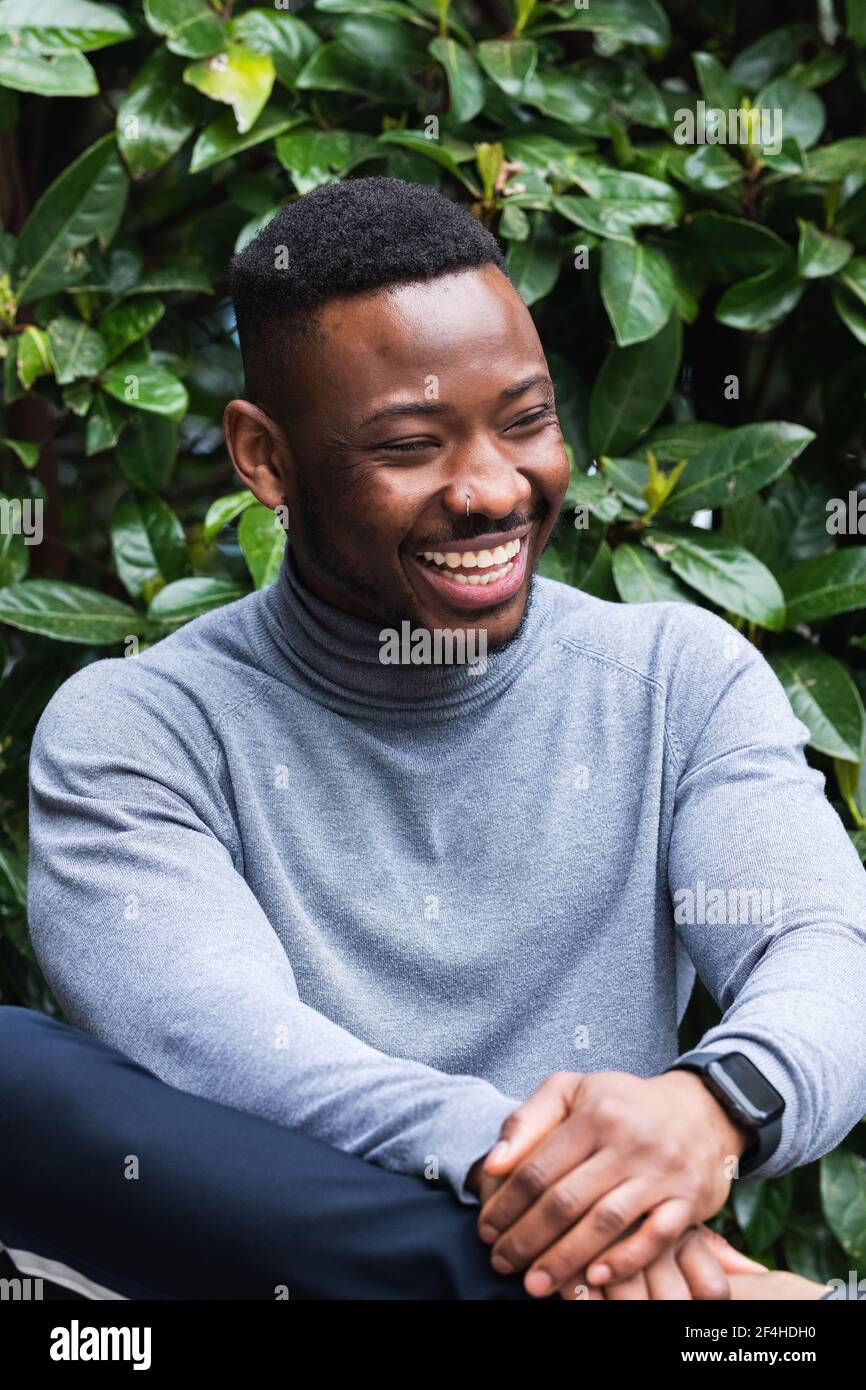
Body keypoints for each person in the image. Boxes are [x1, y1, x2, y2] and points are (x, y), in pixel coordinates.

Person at [11, 177, 866, 1300]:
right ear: (264, 458)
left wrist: (711, 1106)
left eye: (526, 421)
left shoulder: (676, 679)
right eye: (411, 445)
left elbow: (824, 947)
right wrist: (581, 1212)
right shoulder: (140, 728)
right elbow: (225, 1045)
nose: (491, 489)